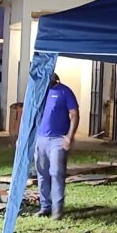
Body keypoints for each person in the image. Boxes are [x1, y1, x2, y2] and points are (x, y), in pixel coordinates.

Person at [36, 72, 80, 220]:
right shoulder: (40, 91)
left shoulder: (64, 92)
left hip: (58, 140)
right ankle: (45, 207)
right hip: (40, 139)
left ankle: (57, 209)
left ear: (54, 78)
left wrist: (69, 136)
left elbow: (74, 114)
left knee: (56, 172)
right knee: (42, 173)